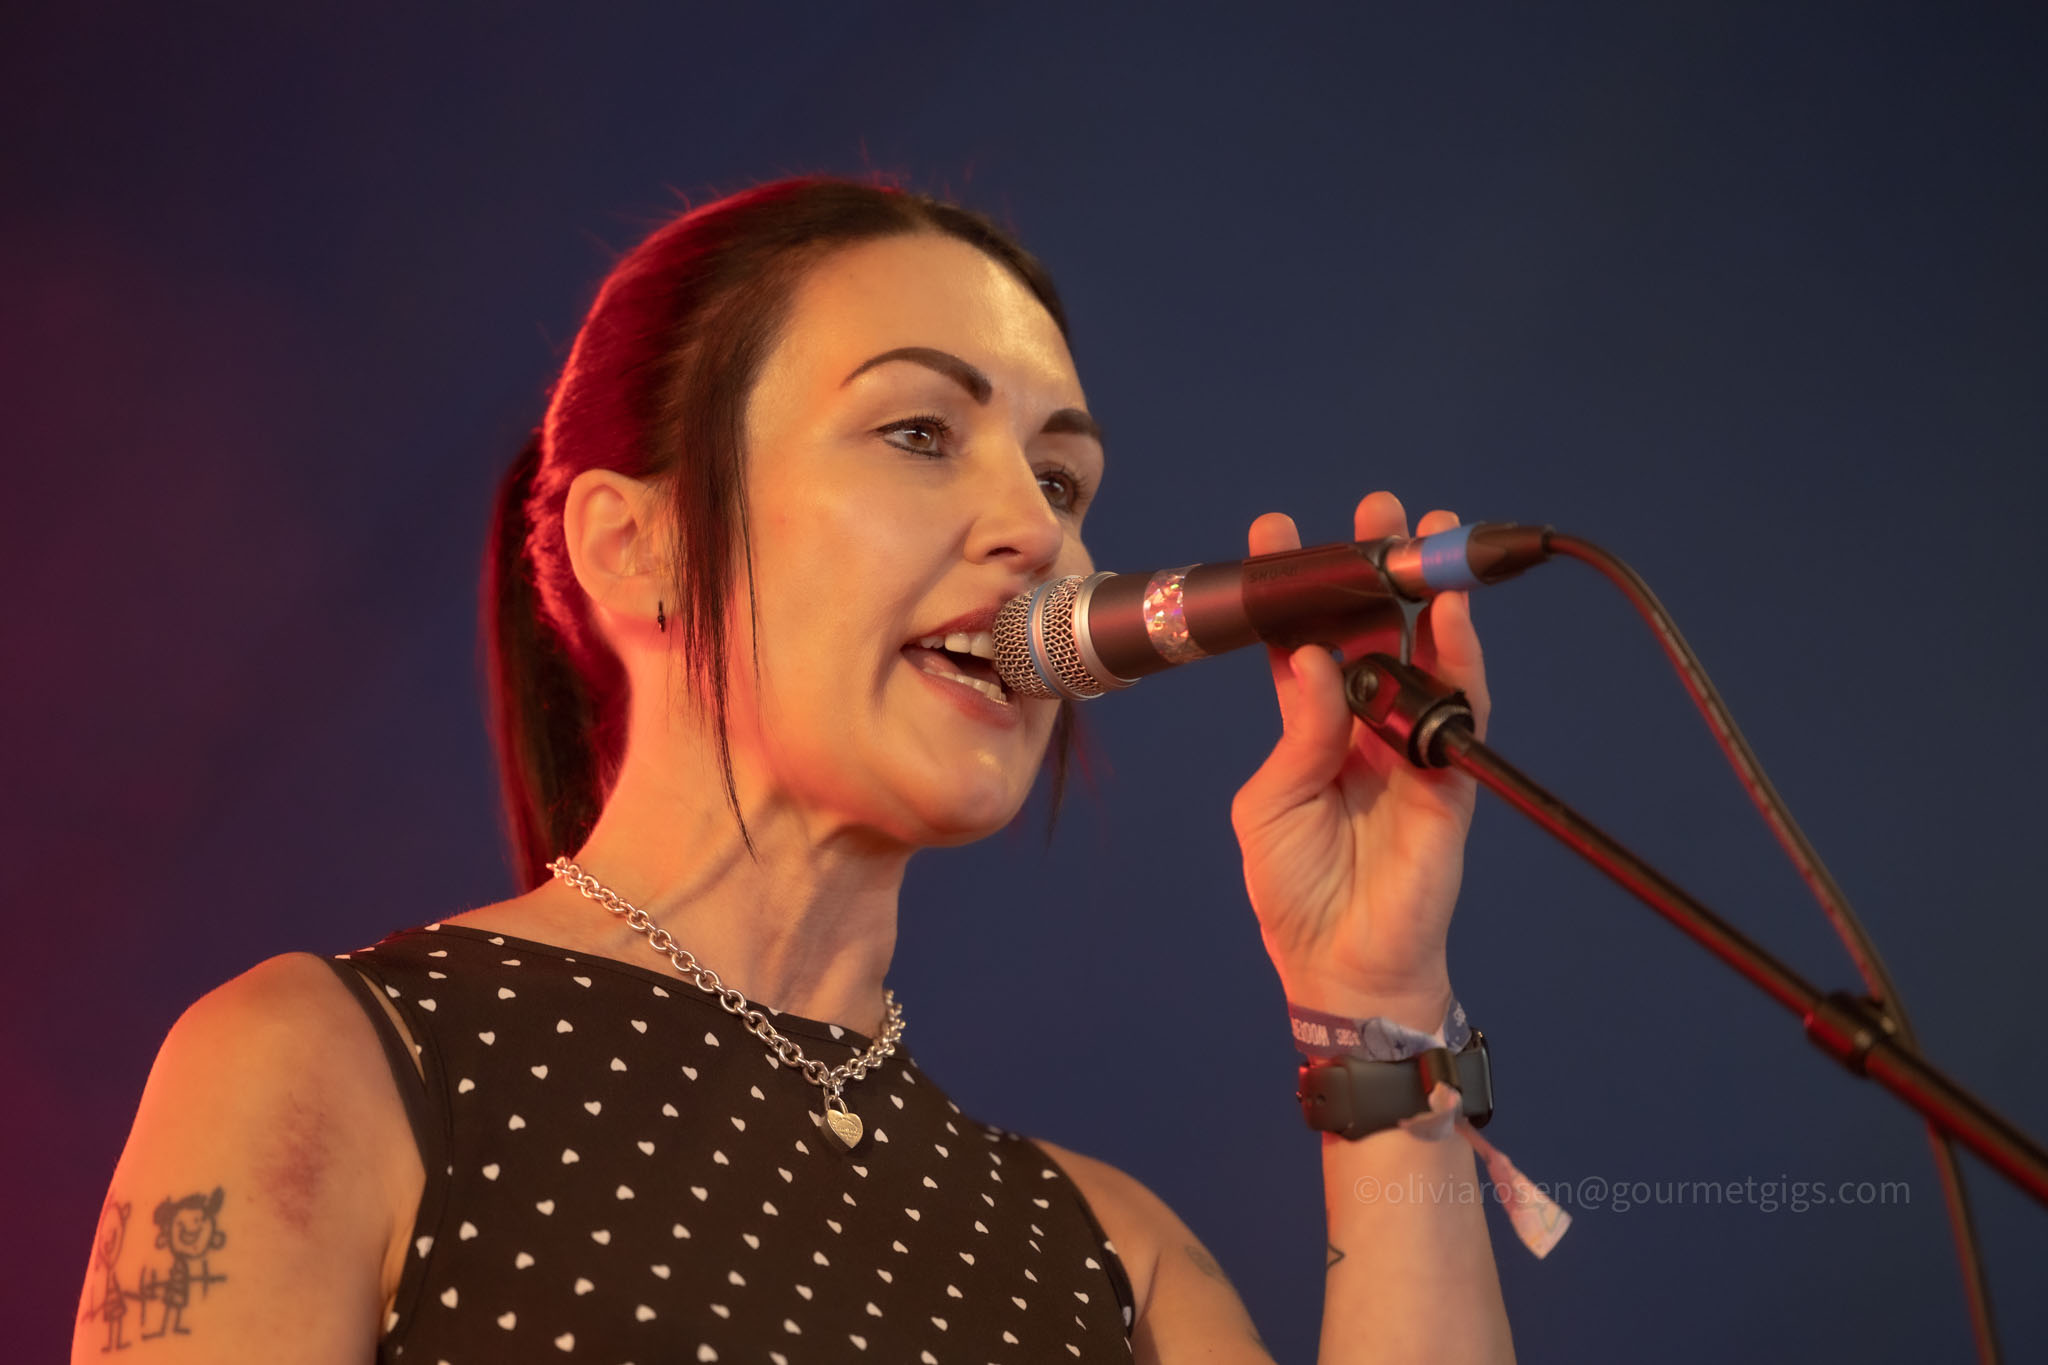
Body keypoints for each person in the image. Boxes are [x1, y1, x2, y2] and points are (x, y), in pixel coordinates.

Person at [71, 179, 1514, 1363]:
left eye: (1062, 479)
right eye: (918, 433)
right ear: (634, 547)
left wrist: (1379, 1005)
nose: (1040, 533)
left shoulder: (1112, 1254)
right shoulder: (326, 1063)